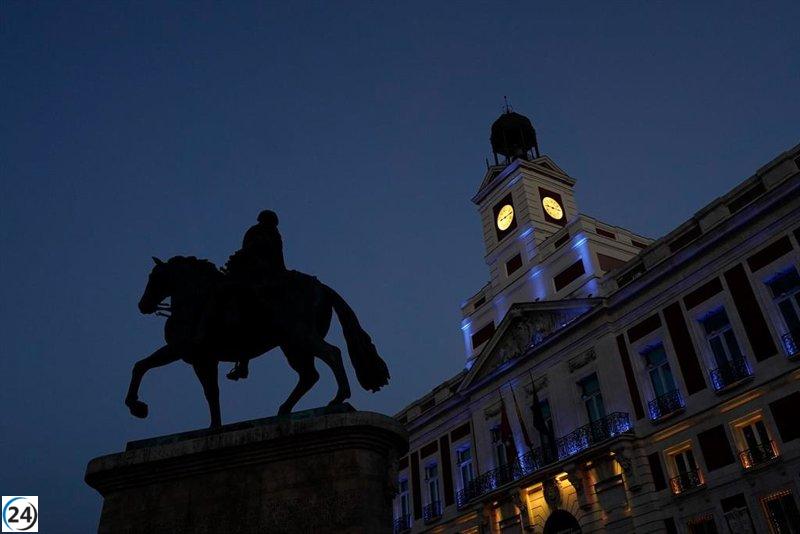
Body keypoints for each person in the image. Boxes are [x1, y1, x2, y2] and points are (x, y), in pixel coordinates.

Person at [221, 210, 287, 380]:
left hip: (261, 276)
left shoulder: (269, 235)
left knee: (239, 299)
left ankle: (242, 360)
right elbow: (248, 251)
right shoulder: (261, 232)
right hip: (254, 272)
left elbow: (265, 255)